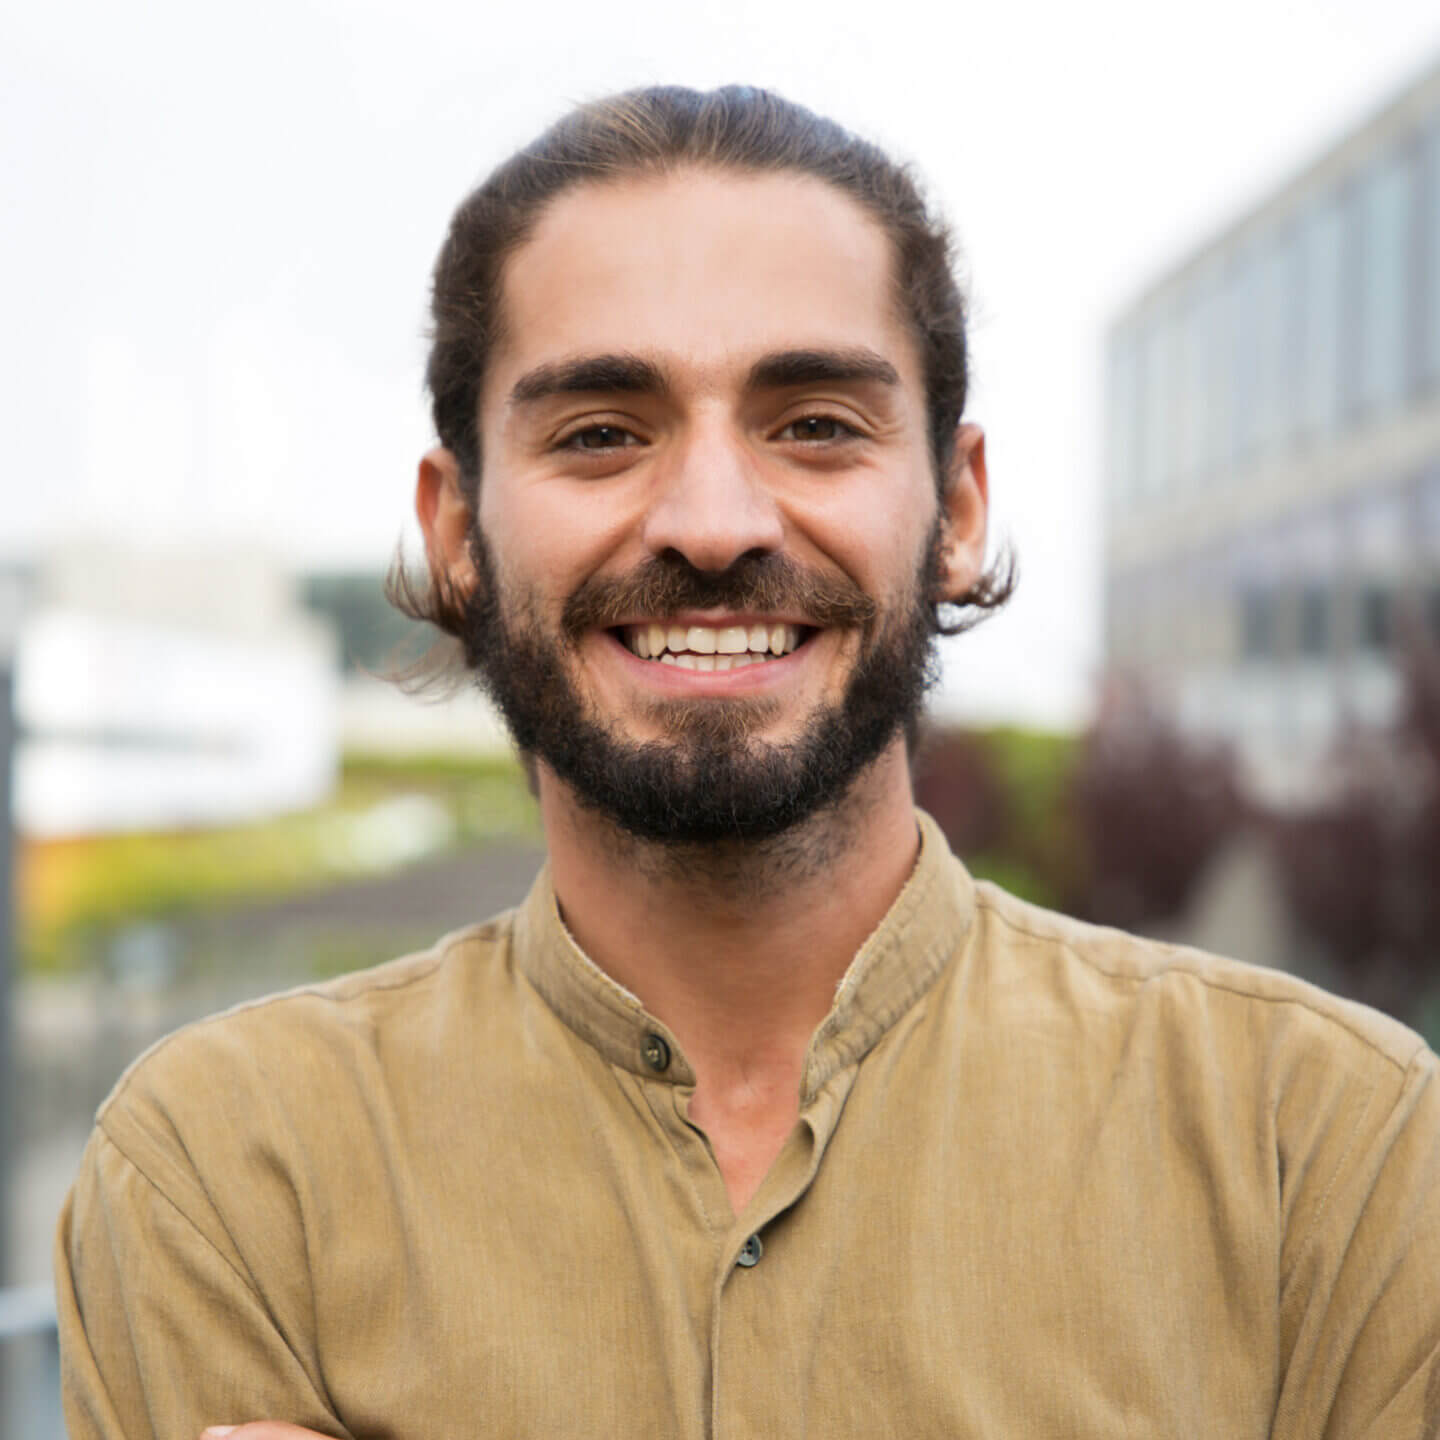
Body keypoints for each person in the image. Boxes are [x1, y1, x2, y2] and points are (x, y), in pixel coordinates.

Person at [56, 86, 1440, 1440]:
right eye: (600, 434)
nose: (713, 523)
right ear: (459, 533)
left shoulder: (1332, 1154)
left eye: (816, 425)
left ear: (955, 508)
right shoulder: (223, 1175)